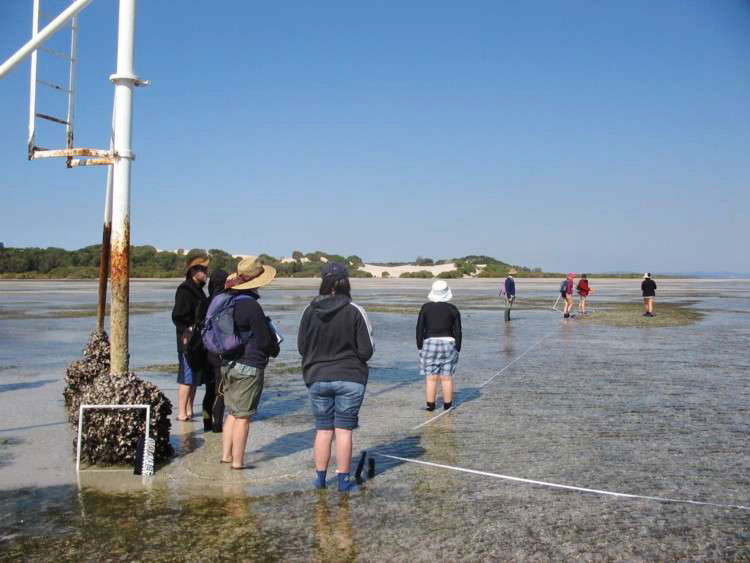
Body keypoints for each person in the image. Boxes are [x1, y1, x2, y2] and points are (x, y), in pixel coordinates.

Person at [298, 262, 374, 492]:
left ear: (324, 282)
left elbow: (302, 347)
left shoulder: (308, 310)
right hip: (350, 377)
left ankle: (320, 480)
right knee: (343, 431)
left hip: (317, 376)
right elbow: (366, 351)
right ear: (345, 283)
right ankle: (342, 481)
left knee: (323, 430)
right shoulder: (355, 310)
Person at [221, 257, 279, 469]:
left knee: (232, 413)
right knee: (243, 417)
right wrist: (274, 348)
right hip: (249, 365)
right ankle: (238, 462)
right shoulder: (251, 306)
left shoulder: (228, 300)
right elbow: (264, 340)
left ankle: (226, 455)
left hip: (227, 363)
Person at [172, 253, 209, 421]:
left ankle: (188, 409)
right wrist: (187, 331)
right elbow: (177, 316)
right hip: (188, 340)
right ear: (194, 271)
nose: (206, 273)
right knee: (187, 377)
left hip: (198, 340)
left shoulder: (199, 290)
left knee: (195, 378)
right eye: (203, 270)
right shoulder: (185, 289)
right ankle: (181, 412)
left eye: (206, 270)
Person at [416, 279, 462, 412]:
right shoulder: (453, 309)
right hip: (449, 343)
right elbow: (458, 331)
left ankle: (430, 406)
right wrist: (458, 348)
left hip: (429, 343)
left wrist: (420, 345)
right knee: (447, 378)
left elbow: (419, 328)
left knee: (431, 378)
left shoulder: (426, 307)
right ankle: (448, 406)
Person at [203, 268, 228, 432]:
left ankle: (206, 422)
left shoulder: (205, 301)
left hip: (205, 350)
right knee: (220, 390)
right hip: (219, 351)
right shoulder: (224, 302)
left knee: (209, 388)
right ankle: (217, 425)